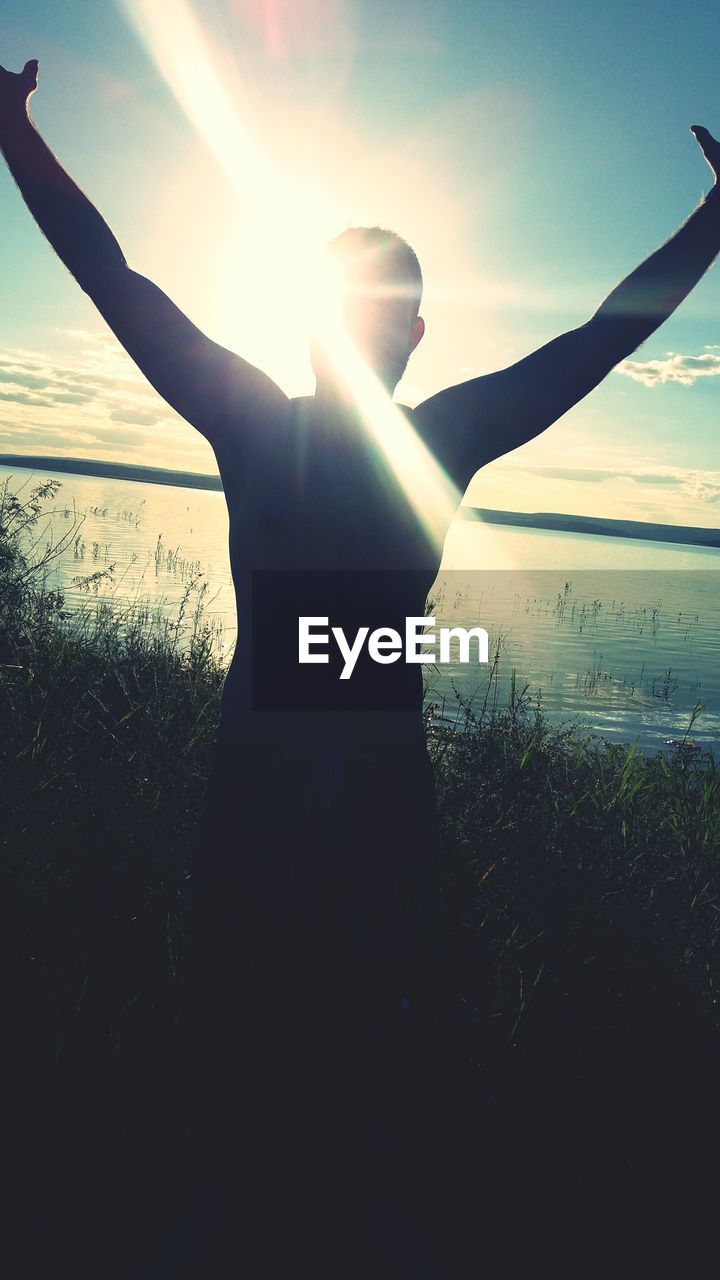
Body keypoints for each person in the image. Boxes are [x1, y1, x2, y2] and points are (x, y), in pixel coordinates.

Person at [2, 56, 720, 1275]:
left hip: (356, 790)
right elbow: (115, 281)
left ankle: (350, 1215)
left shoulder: (383, 431)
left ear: (412, 333)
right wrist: (17, 141)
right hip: (289, 784)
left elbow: (601, 339)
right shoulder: (275, 422)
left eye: (383, 309)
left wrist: (713, 223)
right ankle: (243, 1206)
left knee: (368, 1021)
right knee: (253, 1011)